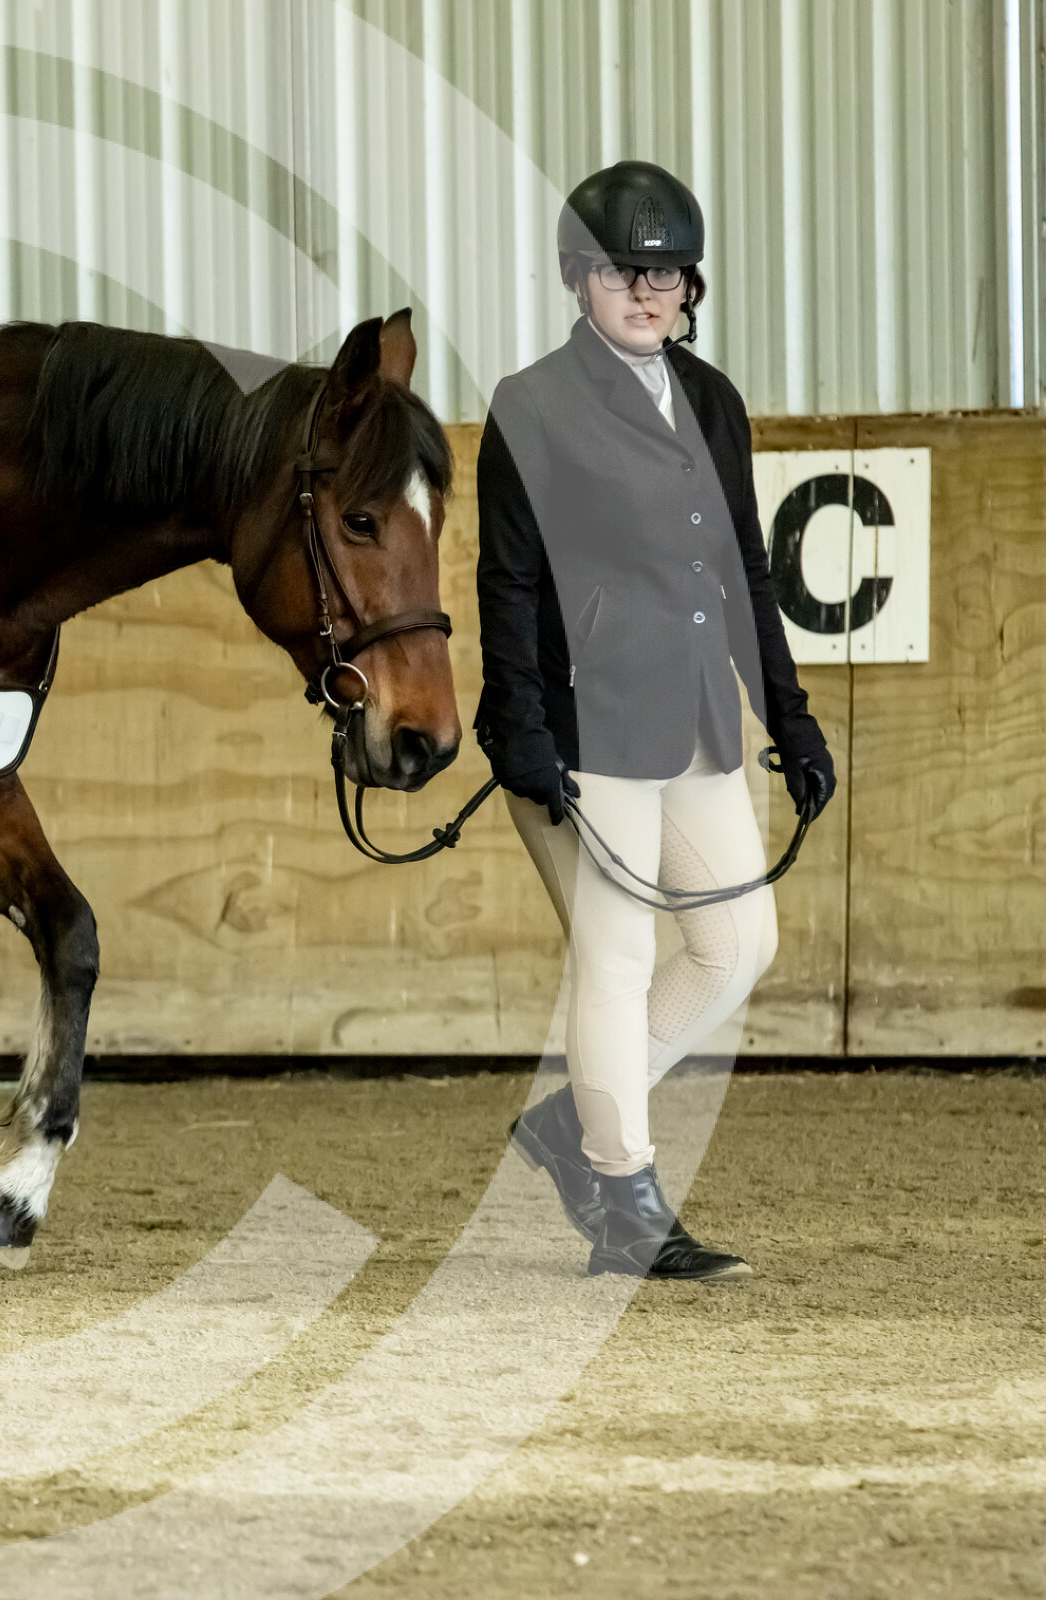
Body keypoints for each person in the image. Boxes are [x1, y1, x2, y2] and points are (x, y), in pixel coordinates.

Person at [475, 160, 835, 1282]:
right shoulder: (531, 405)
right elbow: (506, 582)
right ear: (578, 279)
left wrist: (790, 717)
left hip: (694, 718)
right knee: (619, 954)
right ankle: (625, 1200)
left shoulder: (712, 400)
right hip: (584, 725)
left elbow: (744, 575)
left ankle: (570, 1123)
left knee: (738, 943)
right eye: (622, 273)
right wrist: (522, 728)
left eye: (666, 274)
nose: (646, 292)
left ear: (690, 285)